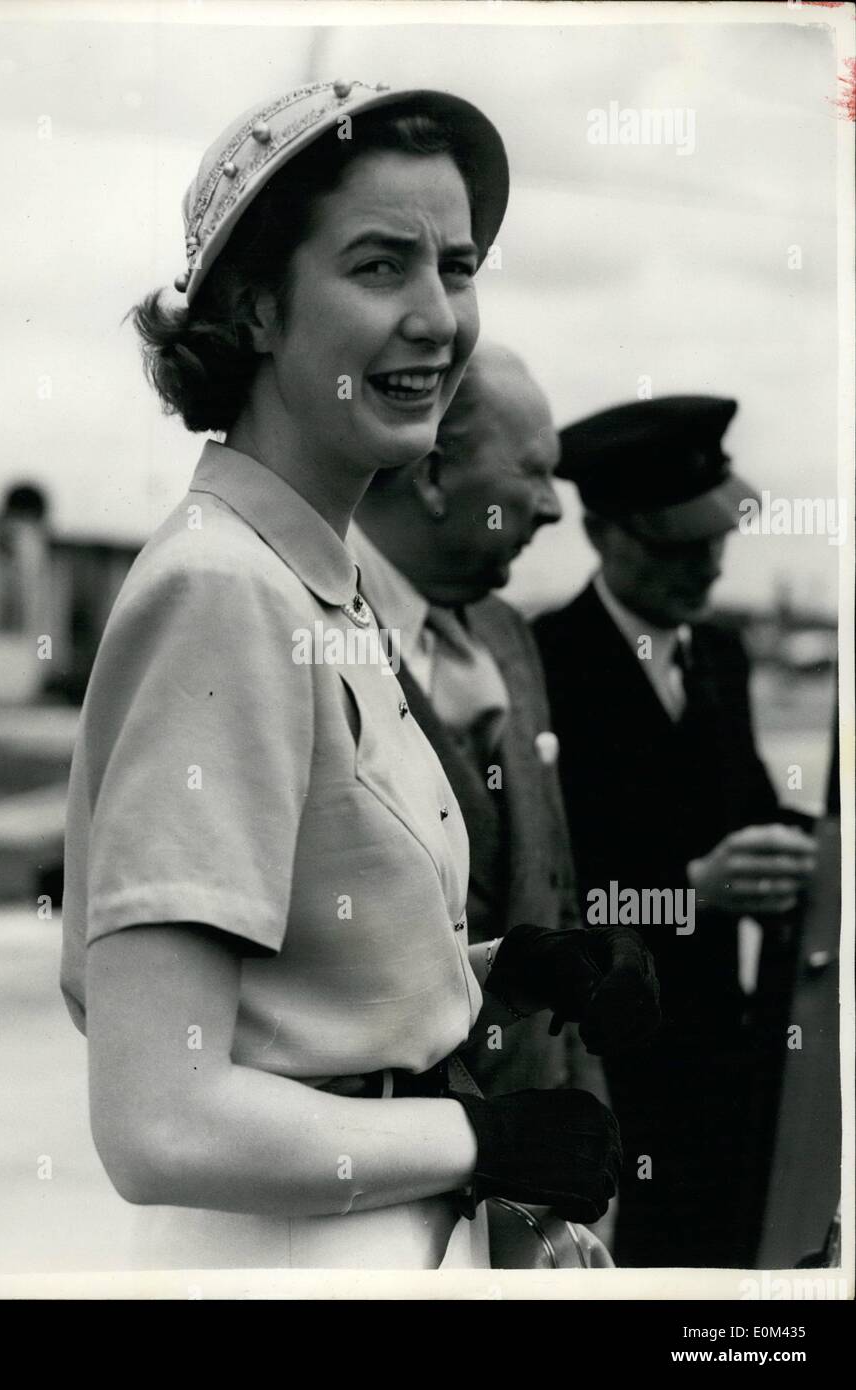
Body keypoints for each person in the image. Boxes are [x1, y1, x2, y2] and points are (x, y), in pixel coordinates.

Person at [59, 79, 623, 1271]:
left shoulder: (310, 575)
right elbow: (161, 1118)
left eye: (458, 268)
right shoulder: (225, 591)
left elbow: (299, 1000)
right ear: (258, 308)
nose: (438, 320)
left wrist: (497, 977)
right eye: (380, 268)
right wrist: (481, 1136)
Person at [351, 342, 661, 1260]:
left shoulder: (505, 634)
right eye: (533, 472)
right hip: (394, 1216)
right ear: (437, 473)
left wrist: (585, 1174)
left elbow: (546, 896)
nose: (557, 505)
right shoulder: (309, 633)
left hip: (537, 1208)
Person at [533, 395, 819, 1267]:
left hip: (722, 1063)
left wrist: (809, 844)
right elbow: (542, 895)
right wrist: (696, 888)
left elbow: (756, 807)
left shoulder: (720, 657)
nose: (707, 568)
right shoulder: (544, 664)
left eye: (717, 543)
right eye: (678, 545)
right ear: (602, 531)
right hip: (602, 1070)